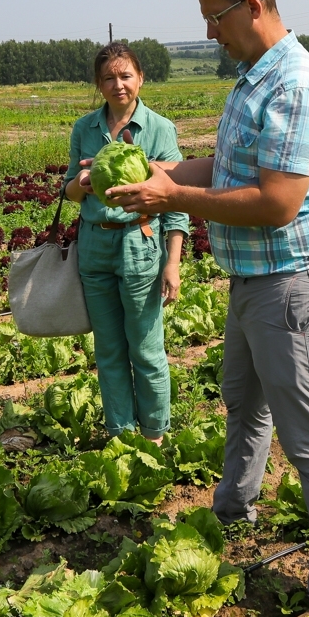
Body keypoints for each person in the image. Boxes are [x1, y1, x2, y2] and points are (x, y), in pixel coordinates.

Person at [104, 0, 309, 617]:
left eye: (215, 19)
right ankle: (232, 511)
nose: (211, 34)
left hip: (295, 285)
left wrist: (175, 197)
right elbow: (226, 168)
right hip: (255, 283)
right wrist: (157, 173)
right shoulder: (253, 80)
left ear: (251, 6)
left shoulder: (297, 83)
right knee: (244, 402)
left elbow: (277, 202)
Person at [63, 42, 188, 443]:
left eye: (125, 76)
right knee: (109, 350)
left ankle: (154, 434)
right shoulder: (85, 128)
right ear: (98, 84)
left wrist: (173, 262)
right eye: (109, 78)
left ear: (140, 79)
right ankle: (120, 433)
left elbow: (176, 200)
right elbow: (68, 189)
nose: (118, 85)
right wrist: (81, 185)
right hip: (95, 247)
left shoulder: (159, 128)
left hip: (140, 242)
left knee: (146, 347)